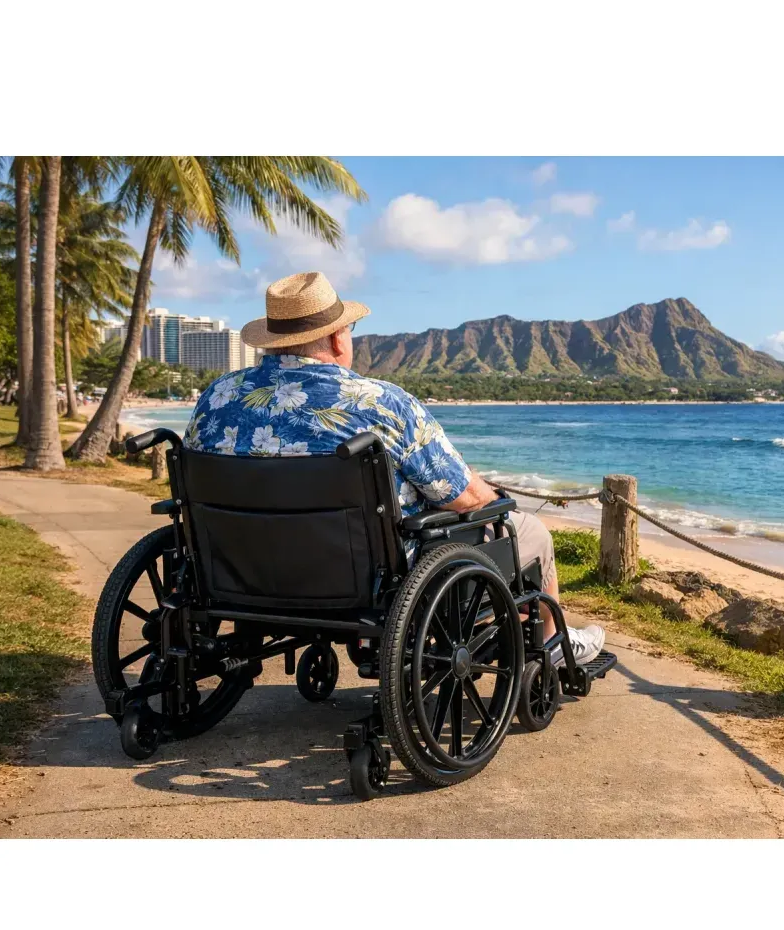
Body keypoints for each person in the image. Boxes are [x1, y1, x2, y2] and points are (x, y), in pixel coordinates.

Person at [185, 271, 606, 665]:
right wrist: (496, 502)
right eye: (349, 332)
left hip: (240, 570)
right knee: (530, 532)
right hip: (359, 578)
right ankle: (555, 642)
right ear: (335, 340)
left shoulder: (218, 397)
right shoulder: (379, 403)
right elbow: (464, 497)